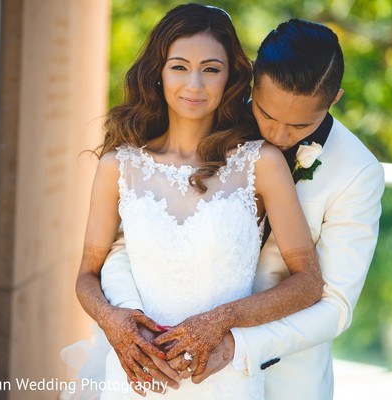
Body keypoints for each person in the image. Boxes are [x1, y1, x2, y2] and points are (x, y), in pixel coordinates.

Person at [99, 17, 386, 400]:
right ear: (253, 83)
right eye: (266, 114)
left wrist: (237, 344)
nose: (276, 136)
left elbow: (335, 305)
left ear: (333, 99)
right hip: (165, 359)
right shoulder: (213, 123)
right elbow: (131, 236)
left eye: (299, 125)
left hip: (284, 375)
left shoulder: (358, 172)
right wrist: (132, 319)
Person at [72, 4, 325, 399]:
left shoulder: (261, 163)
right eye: (179, 66)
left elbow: (308, 282)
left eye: (211, 69)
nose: (194, 84)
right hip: (135, 381)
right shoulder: (118, 166)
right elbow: (87, 276)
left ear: (232, 77)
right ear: (158, 71)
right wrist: (113, 321)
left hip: (224, 381)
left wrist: (223, 320)